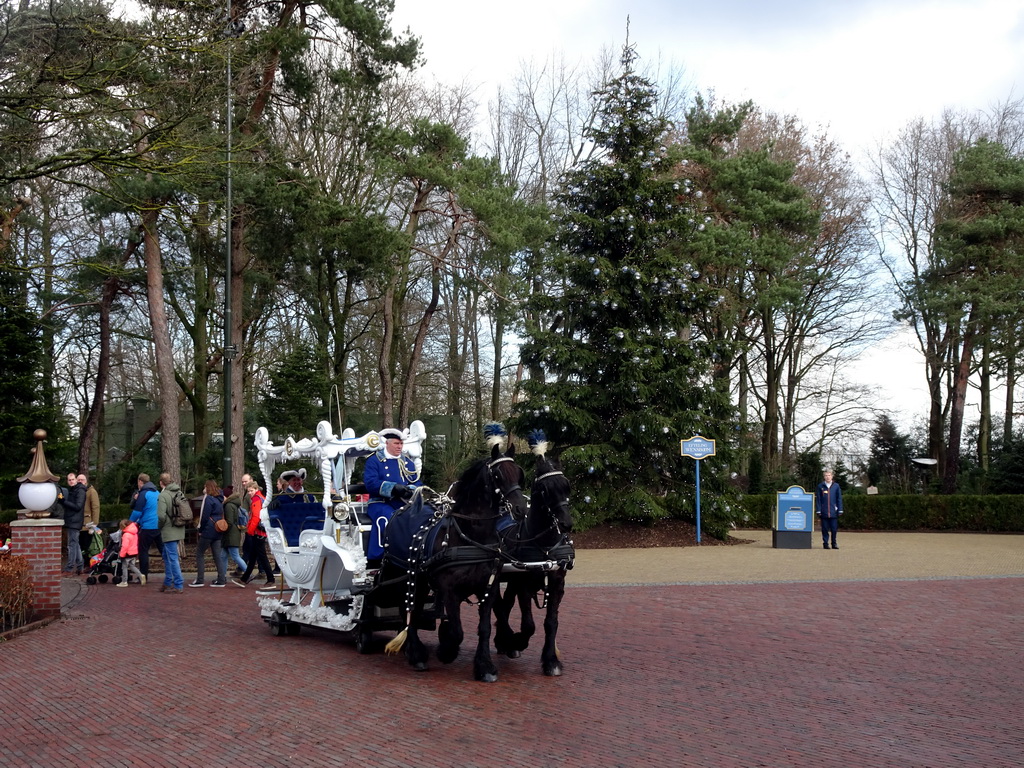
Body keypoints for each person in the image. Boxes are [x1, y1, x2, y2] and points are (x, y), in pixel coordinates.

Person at [363, 427, 421, 562]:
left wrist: (411, 489)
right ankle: (382, 555)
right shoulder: (374, 460)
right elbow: (371, 483)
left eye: (401, 444)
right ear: (387, 443)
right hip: (380, 502)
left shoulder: (407, 462)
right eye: (396, 443)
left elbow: (417, 482)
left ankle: (414, 553)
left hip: (402, 502)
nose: (399, 446)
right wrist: (393, 488)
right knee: (389, 518)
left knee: (421, 516)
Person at [237, 480, 275, 588]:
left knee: (261, 556)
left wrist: (250, 530)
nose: (250, 493)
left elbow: (255, 517)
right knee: (254, 555)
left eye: (251, 490)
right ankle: (245, 578)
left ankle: (270, 579)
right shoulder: (260, 498)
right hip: (259, 531)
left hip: (257, 531)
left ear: (256, 489)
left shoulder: (256, 500)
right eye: (248, 491)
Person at [190, 479, 227, 587]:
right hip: (218, 529)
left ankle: (200, 579)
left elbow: (205, 516)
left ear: (208, 487)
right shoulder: (219, 499)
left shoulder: (208, 499)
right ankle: (221, 579)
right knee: (217, 555)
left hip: (209, 529)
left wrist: (200, 530)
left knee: (200, 553)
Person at [129, 473, 162, 581]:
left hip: (147, 526)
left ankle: (143, 576)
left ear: (140, 482)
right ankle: (173, 574)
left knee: (143, 551)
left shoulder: (143, 494)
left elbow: (137, 512)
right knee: (164, 551)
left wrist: (129, 523)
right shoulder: (157, 492)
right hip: (159, 526)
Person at [156, 472, 185, 593]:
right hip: (179, 527)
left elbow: (161, 516)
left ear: (161, 483)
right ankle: (167, 582)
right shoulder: (179, 492)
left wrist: (160, 526)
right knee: (167, 555)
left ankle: (178, 584)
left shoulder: (163, 495)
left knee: (172, 557)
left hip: (168, 530)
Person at [222, 485, 247, 584]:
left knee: (235, 555)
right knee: (223, 555)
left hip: (230, 534)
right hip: (233, 533)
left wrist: (222, 528)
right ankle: (222, 575)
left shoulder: (228, 505)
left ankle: (247, 573)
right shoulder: (235, 504)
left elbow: (229, 521)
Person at [62, 472, 86, 575]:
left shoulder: (80, 491)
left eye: (72, 479)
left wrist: (63, 501)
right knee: (75, 544)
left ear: (76, 480)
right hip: (73, 520)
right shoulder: (75, 490)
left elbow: (78, 506)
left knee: (72, 545)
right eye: (69, 480)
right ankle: (80, 566)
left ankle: (70, 567)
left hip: (74, 521)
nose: (71, 481)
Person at [816, 469, 843, 550]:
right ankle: (825, 543)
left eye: (829, 475)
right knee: (824, 529)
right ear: (824, 477)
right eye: (826, 475)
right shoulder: (820, 486)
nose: (828, 477)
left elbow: (839, 498)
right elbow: (818, 499)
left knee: (834, 529)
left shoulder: (836, 486)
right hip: (824, 512)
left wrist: (840, 509)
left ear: (832, 476)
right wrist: (818, 510)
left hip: (833, 511)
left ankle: (834, 543)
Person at [116, 519, 145, 586]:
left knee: (124, 567)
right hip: (134, 553)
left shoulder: (126, 535)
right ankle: (141, 575)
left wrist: (121, 555)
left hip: (127, 554)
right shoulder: (134, 533)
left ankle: (124, 581)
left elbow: (124, 546)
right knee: (132, 566)